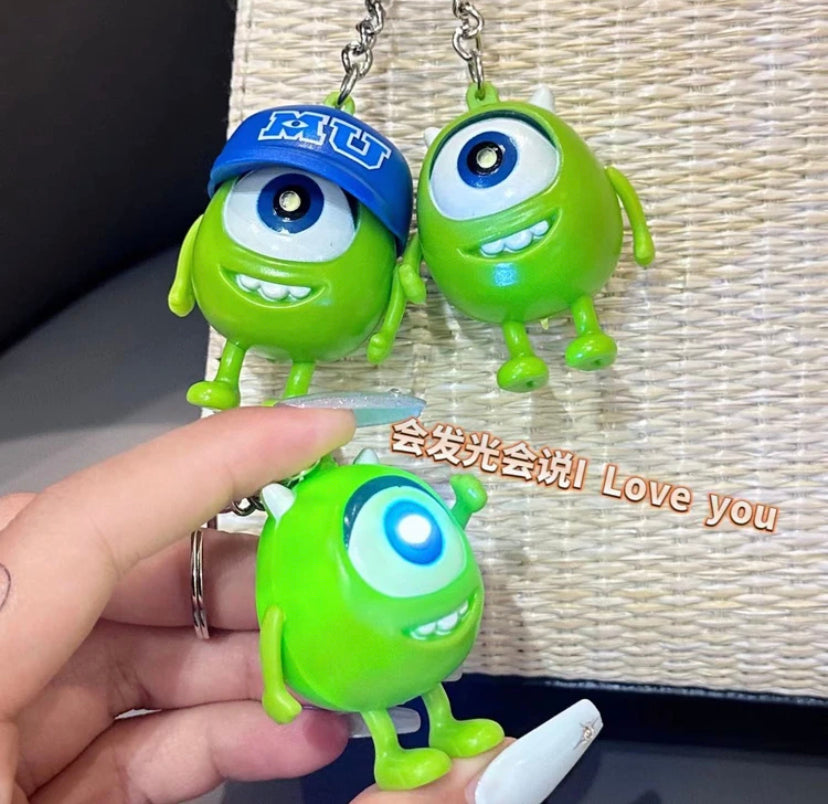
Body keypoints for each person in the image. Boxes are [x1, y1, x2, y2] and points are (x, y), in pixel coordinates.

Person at [0, 406, 598, 804]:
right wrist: (276, 687)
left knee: (428, 686)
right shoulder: (296, 529)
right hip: (350, 673)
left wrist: (457, 510)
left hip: (435, 646)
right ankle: (390, 754)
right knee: (374, 703)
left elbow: (440, 531)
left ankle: (446, 724)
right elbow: (276, 621)